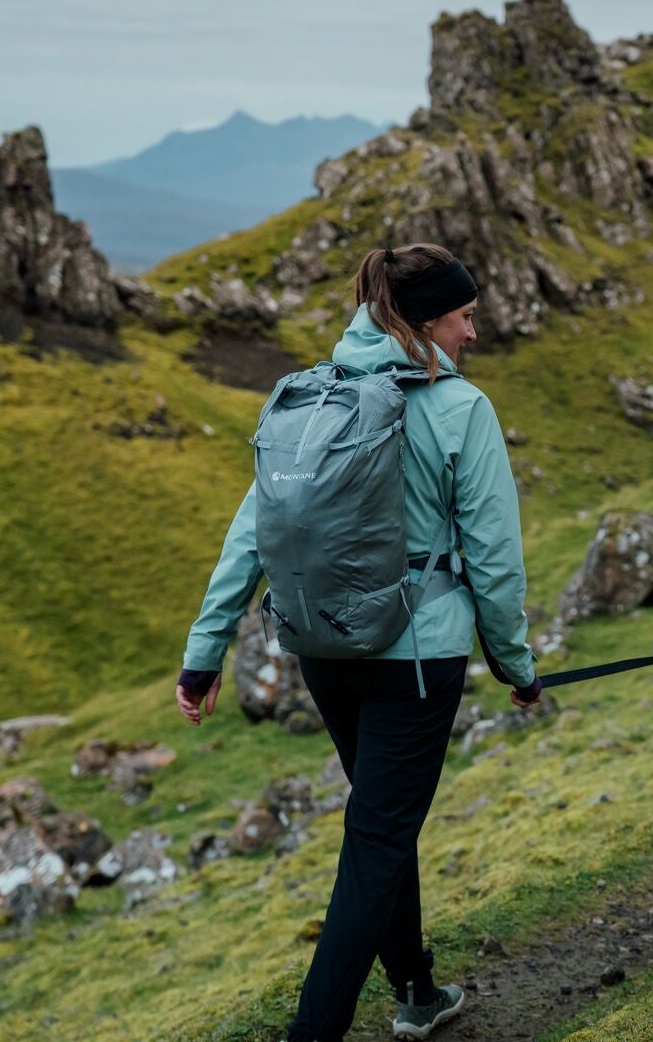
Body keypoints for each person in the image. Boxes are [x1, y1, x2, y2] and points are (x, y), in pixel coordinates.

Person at [173, 241, 541, 1042]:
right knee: (377, 838)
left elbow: (253, 533)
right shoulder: (458, 410)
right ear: (425, 321)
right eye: (465, 318)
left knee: (383, 822)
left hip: (326, 649)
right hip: (417, 660)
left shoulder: (316, 398)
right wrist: (518, 666)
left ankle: (415, 989)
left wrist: (205, 653)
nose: (473, 335)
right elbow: (495, 561)